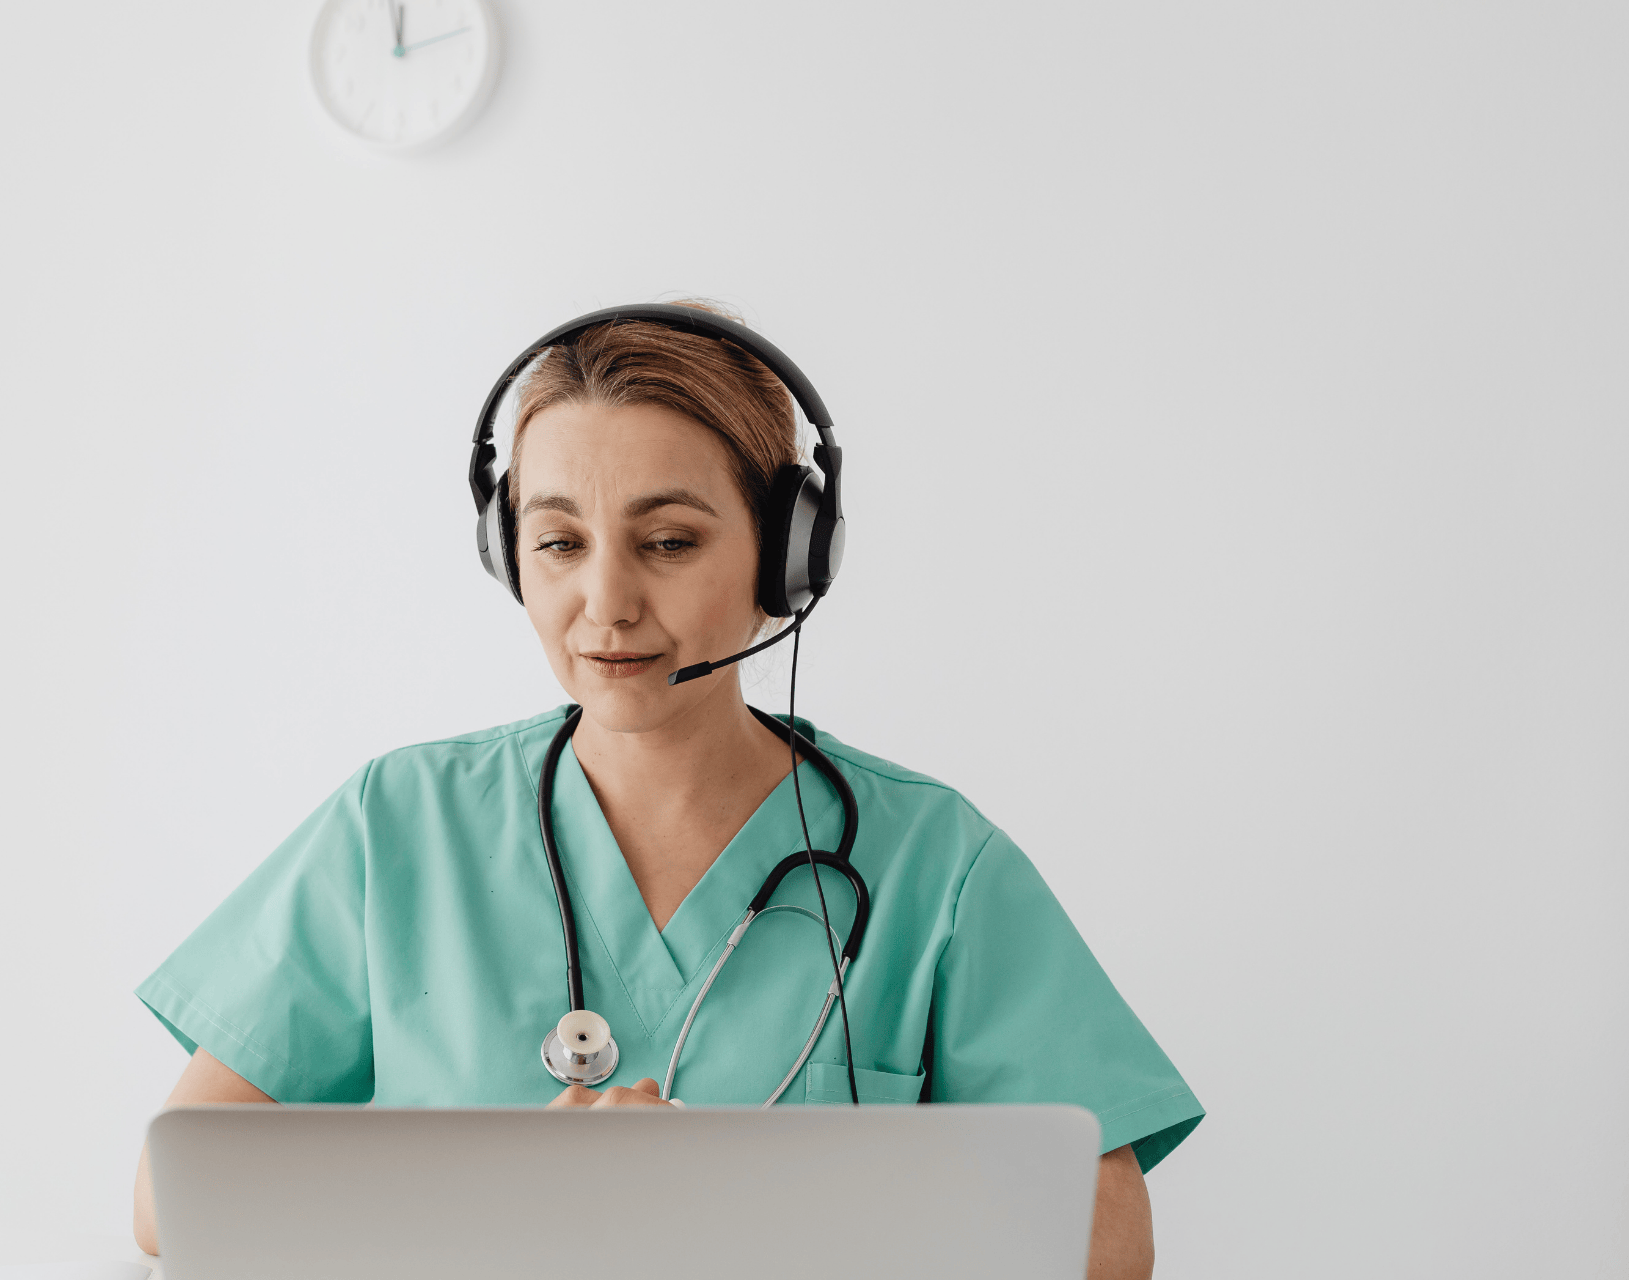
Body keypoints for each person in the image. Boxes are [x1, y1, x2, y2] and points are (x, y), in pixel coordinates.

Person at [130, 302, 1202, 1278]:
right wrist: (505, 1193)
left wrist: (735, 1203)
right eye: (558, 541)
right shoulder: (397, 825)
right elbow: (173, 1202)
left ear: (788, 557)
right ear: (508, 554)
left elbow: (1107, 1238)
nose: (606, 602)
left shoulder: (935, 860)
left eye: (670, 541)